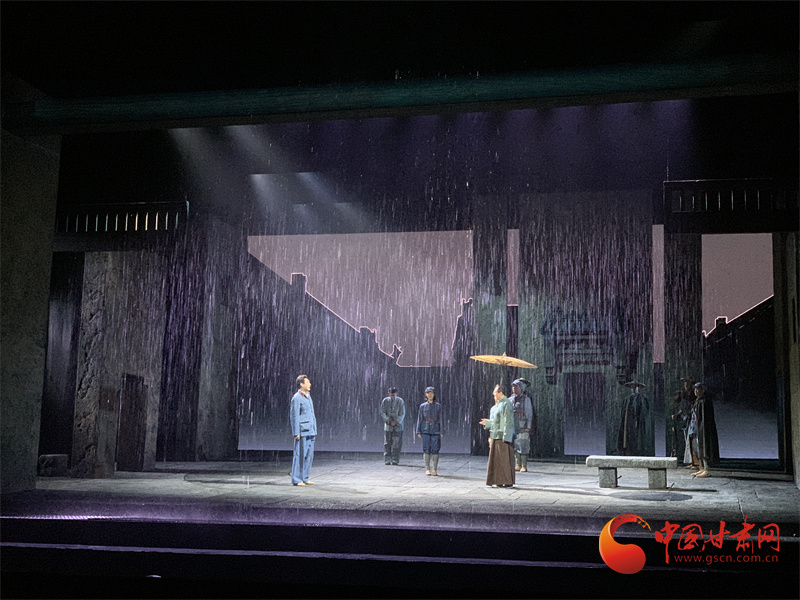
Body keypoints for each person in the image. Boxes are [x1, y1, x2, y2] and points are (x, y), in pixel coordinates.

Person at [479, 384, 516, 487]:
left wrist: (506, 437)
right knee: (497, 460)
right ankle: (498, 480)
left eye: (495, 392)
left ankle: (507, 481)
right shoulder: (497, 405)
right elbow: (497, 421)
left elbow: (508, 422)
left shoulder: (506, 404)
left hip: (502, 436)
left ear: (500, 393)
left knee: (504, 460)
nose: (493, 394)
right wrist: (488, 423)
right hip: (495, 435)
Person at [290, 374, 317, 486]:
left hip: (311, 430)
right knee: (300, 455)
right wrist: (296, 432)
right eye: (308, 382)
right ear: (301, 384)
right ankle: (297, 479)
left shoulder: (308, 396)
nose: (310, 384)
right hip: (302, 431)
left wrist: (314, 428)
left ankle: (305, 477)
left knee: (309, 456)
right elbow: (294, 416)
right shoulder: (297, 398)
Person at [690, 382, 720, 478]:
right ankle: (701, 468)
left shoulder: (704, 401)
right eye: (695, 390)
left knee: (705, 447)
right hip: (698, 427)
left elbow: (705, 417)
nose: (695, 391)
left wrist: (701, 427)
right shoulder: (697, 401)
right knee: (699, 448)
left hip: (704, 428)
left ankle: (706, 469)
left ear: (702, 390)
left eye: (698, 389)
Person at [616, 381, 651, 456]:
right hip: (629, 421)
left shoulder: (642, 399)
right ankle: (629, 449)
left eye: (636, 387)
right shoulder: (627, 399)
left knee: (638, 436)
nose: (634, 389)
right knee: (628, 436)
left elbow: (645, 411)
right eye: (632, 387)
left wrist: (638, 417)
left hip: (638, 420)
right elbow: (624, 411)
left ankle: (638, 450)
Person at [416, 386, 443, 476]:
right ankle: (427, 468)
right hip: (425, 429)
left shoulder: (438, 406)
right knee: (426, 449)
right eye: (428, 393)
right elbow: (420, 418)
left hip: (435, 429)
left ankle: (435, 468)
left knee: (435, 449)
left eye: (431, 393)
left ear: (434, 394)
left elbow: (441, 419)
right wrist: (418, 430)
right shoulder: (422, 406)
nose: (430, 395)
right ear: (426, 394)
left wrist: (442, 431)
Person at [509, 378, 535, 472]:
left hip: (523, 425)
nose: (514, 388)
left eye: (516, 387)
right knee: (516, 445)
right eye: (513, 387)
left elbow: (529, 413)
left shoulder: (526, 399)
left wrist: (529, 426)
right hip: (514, 425)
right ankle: (518, 464)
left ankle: (524, 465)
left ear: (521, 388)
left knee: (523, 445)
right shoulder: (510, 399)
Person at [670, 377, 696, 467]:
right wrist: (678, 415)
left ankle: (695, 461)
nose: (686, 385)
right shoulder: (684, 395)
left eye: (687, 383)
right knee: (687, 440)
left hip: (692, 419)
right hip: (686, 419)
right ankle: (691, 461)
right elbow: (682, 407)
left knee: (693, 440)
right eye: (685, 383)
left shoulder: (693, 395)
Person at [380, 387, 405, 465]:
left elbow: (402, 413)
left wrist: (396, 421)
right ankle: (387, 459)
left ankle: (395, 459)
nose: (392, 396)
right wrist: (388, 420)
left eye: (393, 395)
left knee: (396, 443)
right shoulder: (385, 401)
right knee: (387, 443)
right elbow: (382, 412)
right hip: (388, 425)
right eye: (391, 395)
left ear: (396, 394)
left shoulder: (400, 401)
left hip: (398, 426)